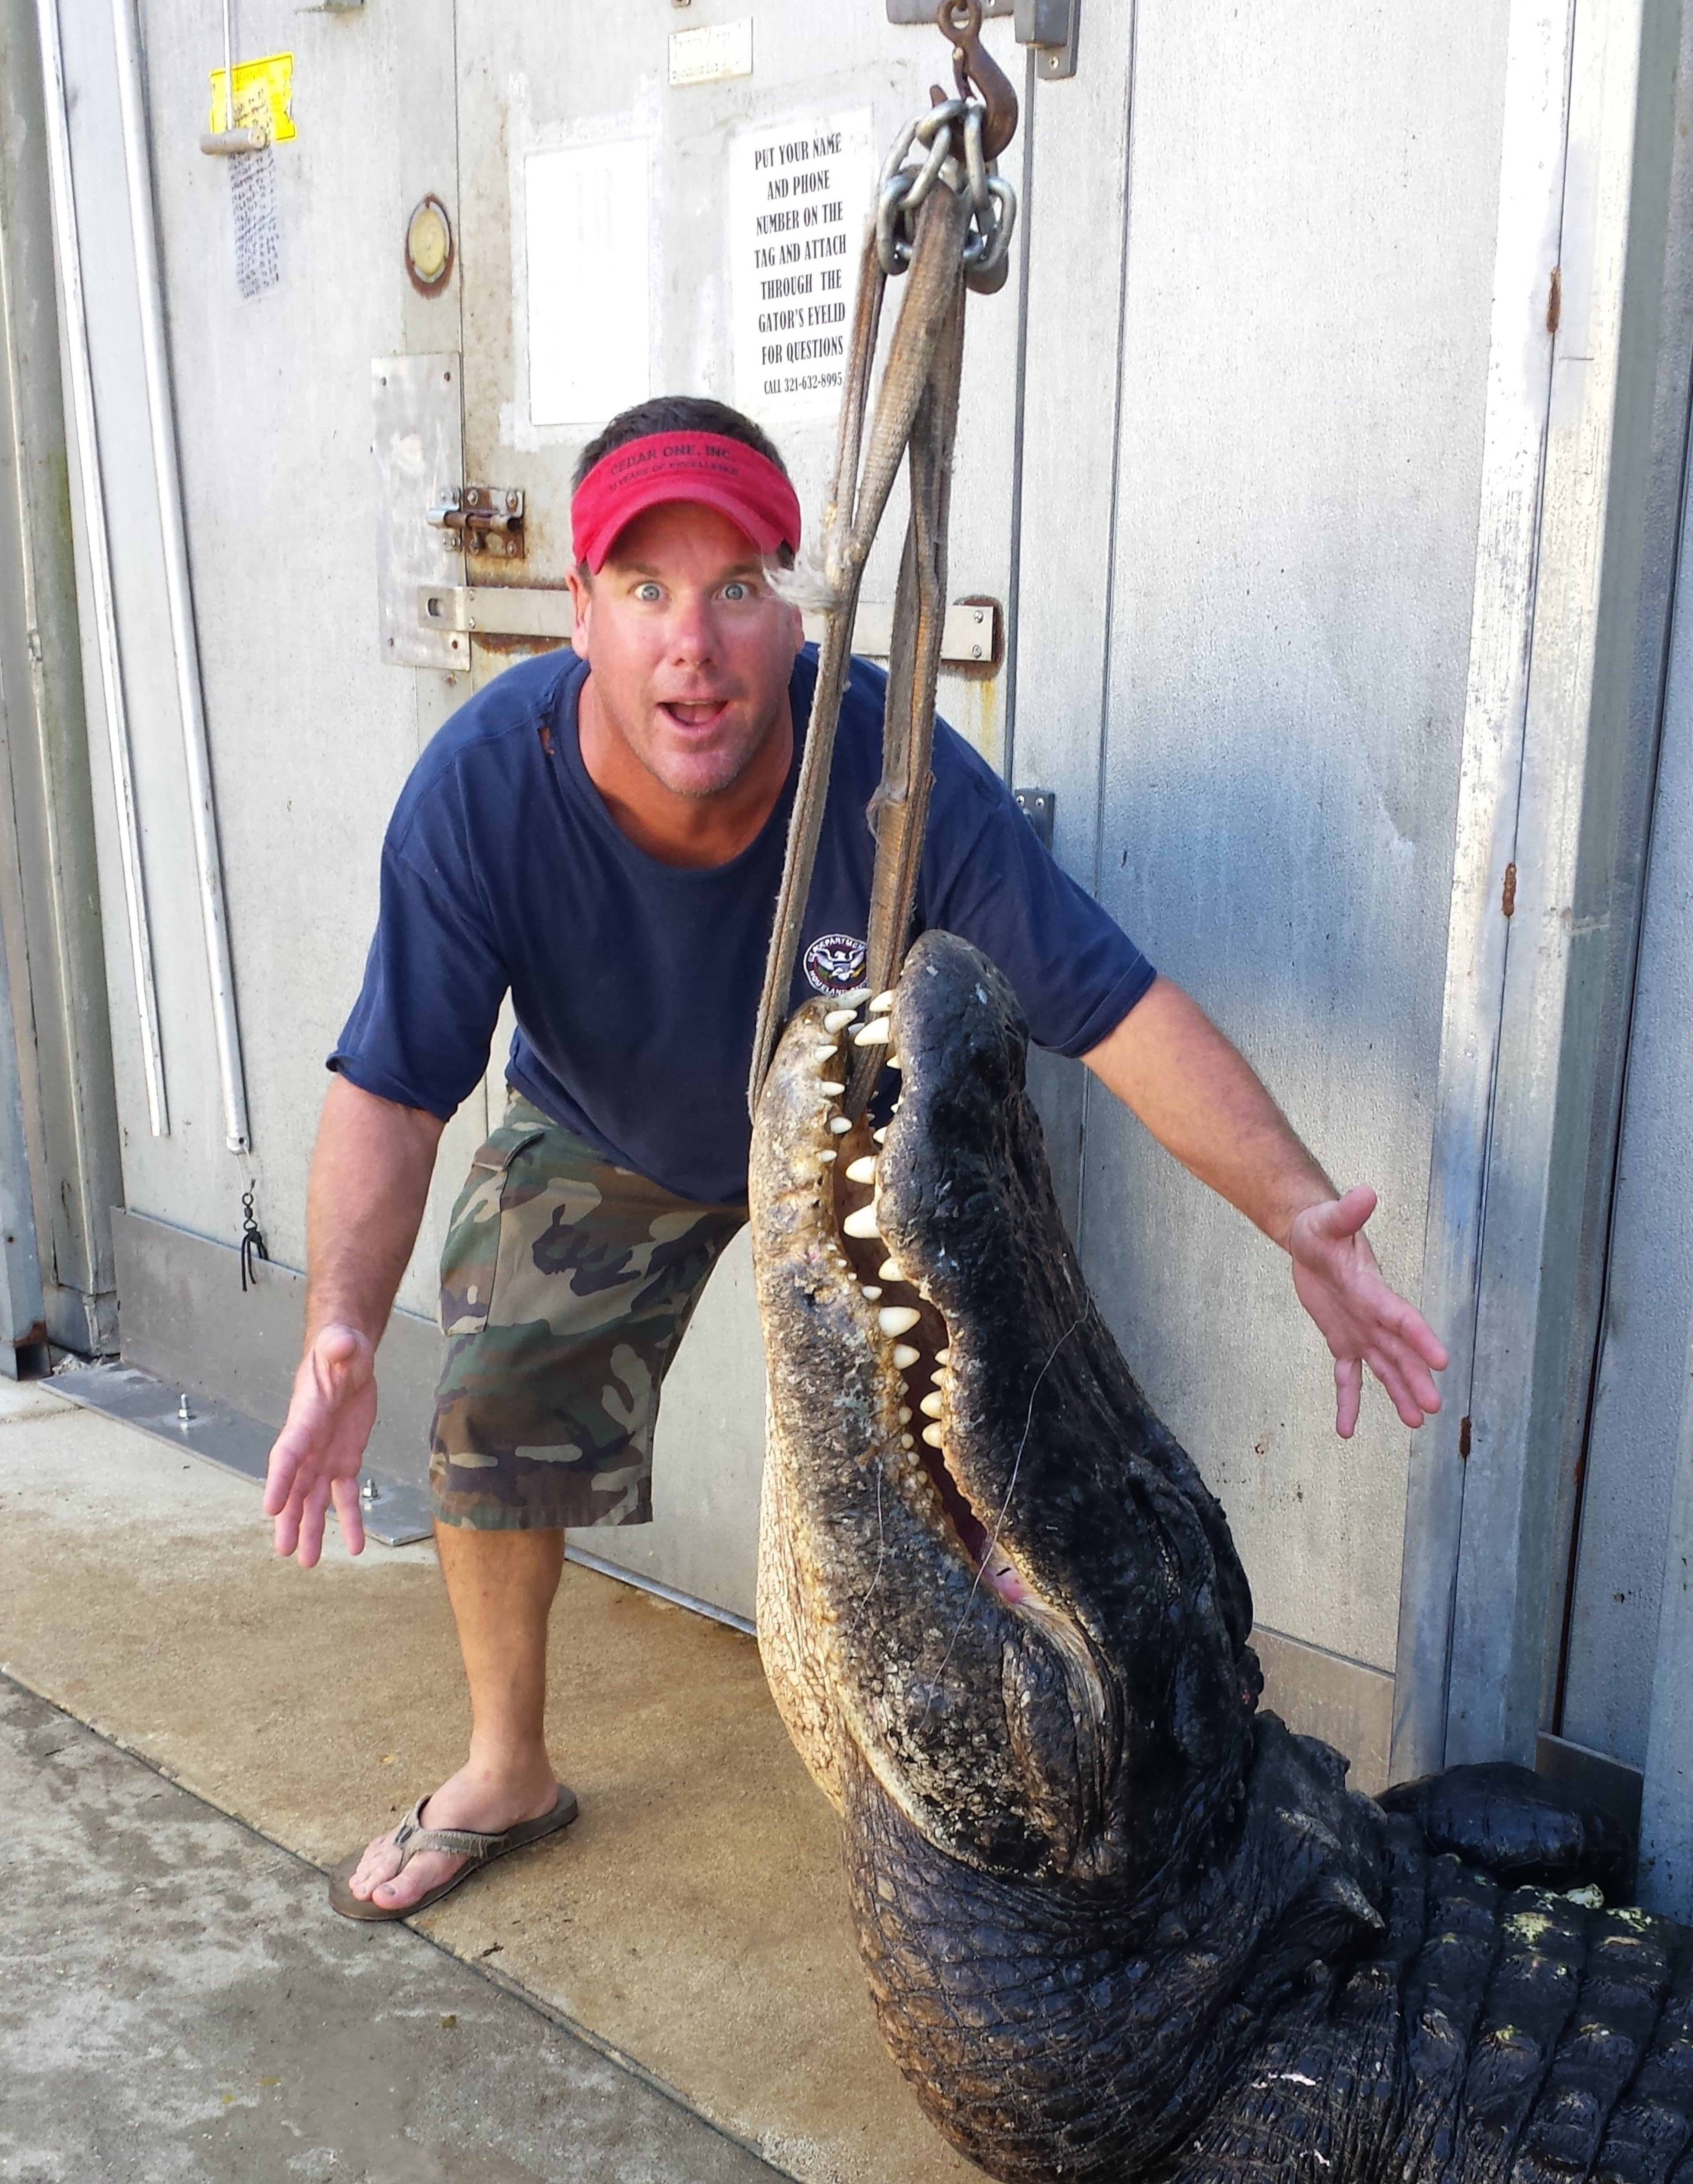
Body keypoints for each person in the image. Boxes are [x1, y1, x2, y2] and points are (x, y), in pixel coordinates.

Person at [264, 394, 1447, 1921]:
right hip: (611, 1128)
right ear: (579, 618)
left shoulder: (893, 776)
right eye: (646, 590)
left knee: (972, 1430)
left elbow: (1114, 1004)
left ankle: (1004, 1790)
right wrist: (340, 1324)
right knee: (497, 1404)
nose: (693, 641)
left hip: (843, 1132)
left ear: (793, 610)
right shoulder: (482, 790)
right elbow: (393, 1086)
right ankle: (507, 1765)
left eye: (739, 587)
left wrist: (1300, 1212)